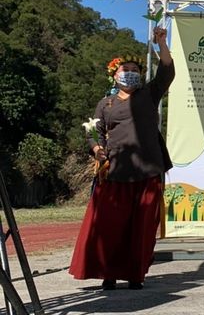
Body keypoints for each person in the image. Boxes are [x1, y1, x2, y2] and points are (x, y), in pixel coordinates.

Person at [70, 26, 174, 290]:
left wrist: (161, 42)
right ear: (114, 75)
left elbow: (166, 70)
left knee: (141, 229)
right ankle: (108, 273)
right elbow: (94, 131)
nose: (131, 73)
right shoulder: (105, 104)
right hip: (115, 171)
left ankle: (135, 275)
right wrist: (97, 149)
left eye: (135, 70)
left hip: (148, 171)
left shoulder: (150, 94)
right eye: (125, 70)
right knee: (110, 226)